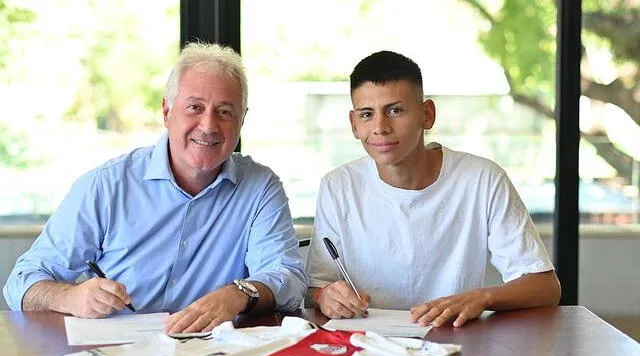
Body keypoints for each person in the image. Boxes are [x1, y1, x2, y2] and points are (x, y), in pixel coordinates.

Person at [3, 42, 307, 333]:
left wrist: (239, 293)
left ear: (242, 120)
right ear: (166, 112)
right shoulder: (107, 186)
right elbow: (21, 282)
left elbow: (289, 279)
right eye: (194, 107)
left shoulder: (260, 187)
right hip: (117, 354)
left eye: (225, 111)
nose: (209, 125)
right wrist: (71, 298)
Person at [305, 51, 561, 328]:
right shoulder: (338, 186)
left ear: (427, 115)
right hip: (365, 344)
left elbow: (545, 287)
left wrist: (482, 297)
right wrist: (324, 296)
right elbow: (314, 289)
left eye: (395, 110)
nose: (380, 128)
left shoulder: (482, 179)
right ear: (354, 125)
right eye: (367, 114)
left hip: (452, 339)